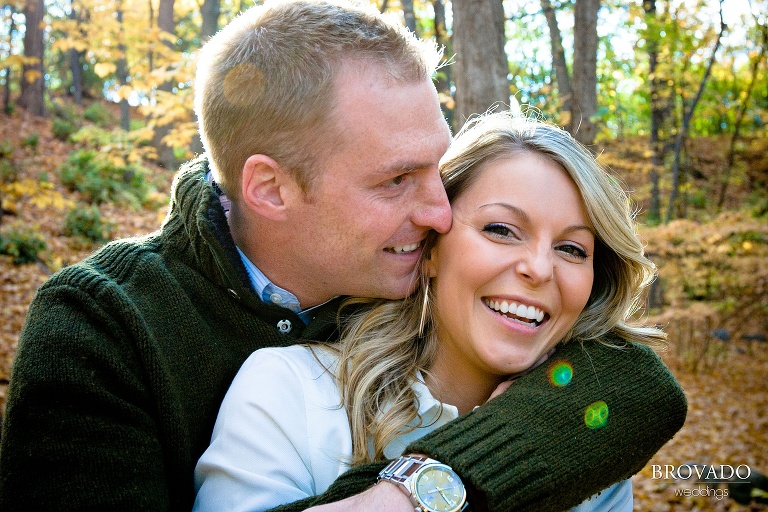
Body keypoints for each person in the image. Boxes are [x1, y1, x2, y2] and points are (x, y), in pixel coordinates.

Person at [0, 1, 687, 511]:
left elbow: (635, 381)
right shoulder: (104, 325)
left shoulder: (406, 269)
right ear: (270, 188)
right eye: (396, 180)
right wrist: (438, 483)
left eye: (436, 169)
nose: (440, 212)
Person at [191, 112, 677, 512]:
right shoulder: (288, 392)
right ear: (431, 248)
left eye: (572, 249)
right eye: (502, 230)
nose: (538, 268)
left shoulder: (585, 434)